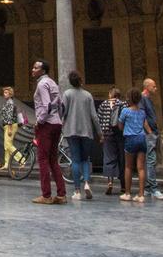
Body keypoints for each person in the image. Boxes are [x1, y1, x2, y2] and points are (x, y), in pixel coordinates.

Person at [29, 59, 67, 205]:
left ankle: (46, 195)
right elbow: (60, 104)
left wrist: (39, 122)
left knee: (43, 159)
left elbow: (47, 106)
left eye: (35, 67)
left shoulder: (42, 84)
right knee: (52, 160)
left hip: (47, 124)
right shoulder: (53, 83)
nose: (33, 70)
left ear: (43, 71)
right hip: (57, 123)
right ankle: (61, 194)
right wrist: (59, 119)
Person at [62, 71, 99, 200]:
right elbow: (94, 116)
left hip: (71, 131)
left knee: (76, 160)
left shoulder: (67, 94)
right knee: (85, 159)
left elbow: (63, 112)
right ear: (80, 81)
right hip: (86, 131)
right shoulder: (88, 95)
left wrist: (61, 125)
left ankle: (77, 191)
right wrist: (100, 132)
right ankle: (87, 183)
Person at [118, 89, 153, 201]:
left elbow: (120, 125)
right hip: (142, 138)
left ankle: (127, 193)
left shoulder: (125, 111)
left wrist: (125, 130)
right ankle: (141, 194)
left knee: (128, 167)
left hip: (130, 138)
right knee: (141, 168)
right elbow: (145, 125)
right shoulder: (142, 112)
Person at [141, 78, 163, 201]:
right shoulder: (143, 98)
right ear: (147, 87)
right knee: (150, 160)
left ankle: (147, 187)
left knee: (150, 161)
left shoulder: (147, 99)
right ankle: (153, 188)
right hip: (148, 134)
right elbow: (143, 117)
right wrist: (150, 132)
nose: (156, 89)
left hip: (151, 132)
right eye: (154, 86)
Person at [98, 87, 124, 195]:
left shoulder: (103, 104)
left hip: (107, 134)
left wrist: (101, 135)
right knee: (122, 159)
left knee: (109, 158)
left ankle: (110, 183)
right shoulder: (123, 104)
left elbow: (98, 119)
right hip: (120, 134)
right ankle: (123, 186)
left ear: (110, 94)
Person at [0, 86, 20, 169]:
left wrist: (9, 128)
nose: (4, 94)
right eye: (4, 92)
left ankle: (21, 160)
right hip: (8, 125)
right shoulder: (7, 102)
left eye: (6, 93)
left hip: (11, 125)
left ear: (10, 94)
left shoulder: (10, 102)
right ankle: (6, 164)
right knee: (6, 145)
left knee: (8, 145)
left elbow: (9, 116)